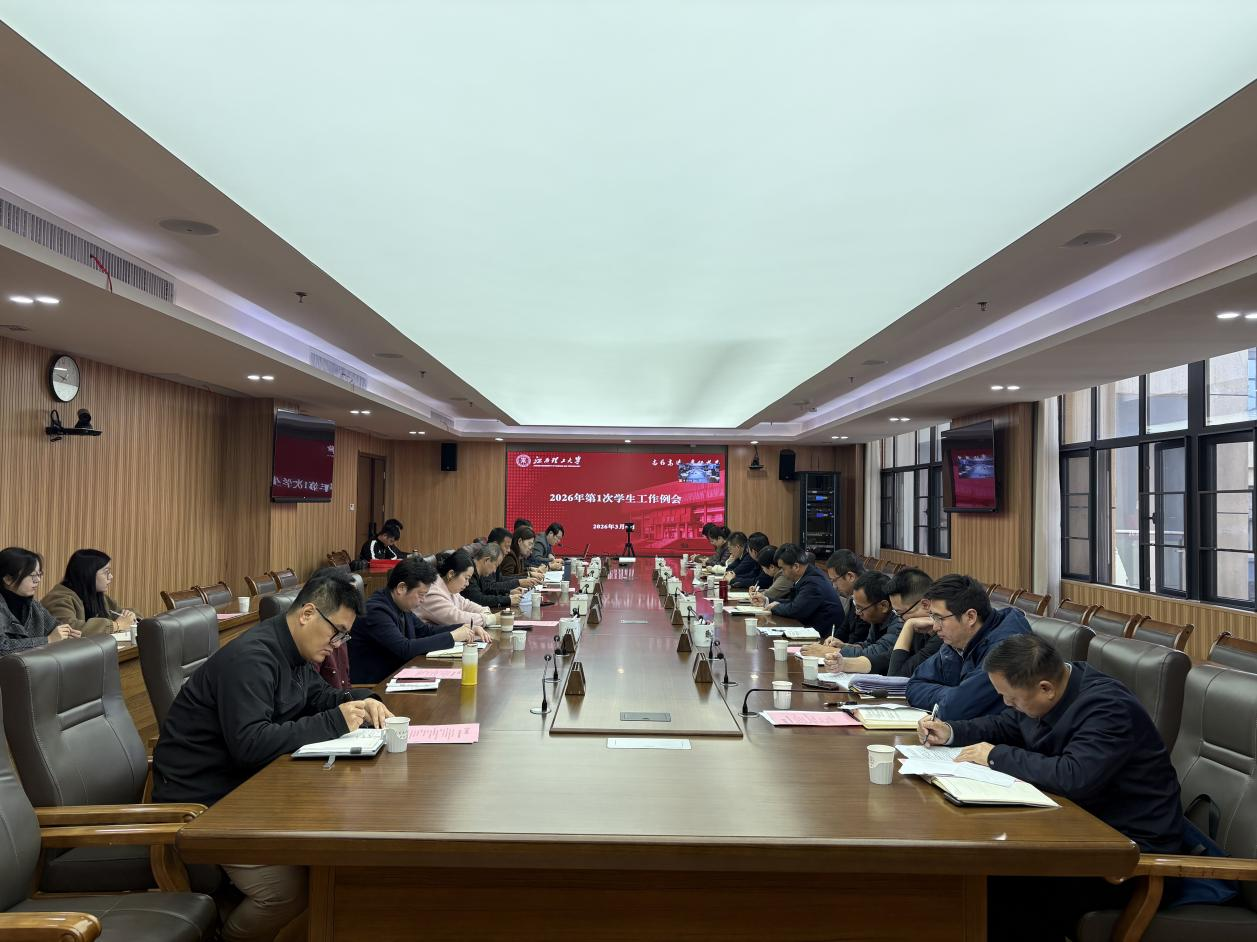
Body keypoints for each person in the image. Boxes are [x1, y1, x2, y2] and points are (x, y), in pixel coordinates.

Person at [152, 571, 391, 942]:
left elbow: (319, 697)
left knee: (329, 862)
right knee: (288, 892)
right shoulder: (252, 658)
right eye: (337, 633)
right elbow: (250, 744)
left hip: (248, 789)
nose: (337, 645)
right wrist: (335, 721)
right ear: (308, 614)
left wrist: (360, 701)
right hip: (206, 802)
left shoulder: (293, 651)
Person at [918, 634, 1201, 942]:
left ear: (1046, 688)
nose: (1008, 704)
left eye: (1012, 699)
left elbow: (1073, 777)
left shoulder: (1108, 709)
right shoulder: (1055, 686)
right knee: (978, 874)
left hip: (1128, 856)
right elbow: (1007, 725)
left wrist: (995, 755)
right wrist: (951, 731)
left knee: (998, 886)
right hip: (1082, 833)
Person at [905, 574, 1032, 720]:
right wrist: (955, 694)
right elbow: (914, 685)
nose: (935, 627)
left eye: (940, 618)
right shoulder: (958, 642)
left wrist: (955, 697)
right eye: (933, 617)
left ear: (970, 617)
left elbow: (955, 709)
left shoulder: (1007, 650)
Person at [349, 558, 490, 684]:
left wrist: (464, 628)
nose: (423, 600)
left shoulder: (400, 605)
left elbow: (425, 630)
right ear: (401, 588)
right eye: (421, 595)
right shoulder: (376, 611)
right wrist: (453, 636)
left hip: (398, 676)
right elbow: (404, 649)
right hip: (375, 686)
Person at [803, 571, 902, 671]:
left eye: (860, 608)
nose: (857, 613)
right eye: (856, 607)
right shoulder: (877, 618)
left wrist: (829, 651)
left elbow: (874, 654)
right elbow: (867, 645)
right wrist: (844, 645)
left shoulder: (899, 623)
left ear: (883, 606)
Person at [0, 547, 79, 655]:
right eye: (32, 575)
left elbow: (54, 627)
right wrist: (48, 640)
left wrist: (68, 633)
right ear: (8, 579)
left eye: (39, 574)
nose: (37, 580)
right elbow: (3, 647)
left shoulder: (34, 605)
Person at [42, 548, 137, 636]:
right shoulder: (59, 599)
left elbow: (119, 613)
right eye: (106, 572)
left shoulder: (97, 596)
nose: (111, 577)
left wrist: (130, 616)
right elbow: (70, 629)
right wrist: (116, 625)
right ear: (88, 574)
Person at [760, 543, 844, 634]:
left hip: (825, 636)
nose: (782, 573)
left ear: (796, 567)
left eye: (783, 569)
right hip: (811, 629)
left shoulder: (813, 582)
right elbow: (794, 602)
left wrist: (773, 607)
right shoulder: (807, 575)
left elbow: (796, 611)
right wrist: (766, 601)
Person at [417, 550, 498, 629]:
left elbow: (465, 604)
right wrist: (490, 619)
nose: (467, 583)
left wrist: (484, 611)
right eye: (466, 578)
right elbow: (456, 618)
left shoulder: (449, 588)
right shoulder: (432, 593)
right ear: (451, 574)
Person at [822, 549, 866, 643]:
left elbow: (859, 638)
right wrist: (834, 640)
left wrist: (843, 646)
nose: (834, 586)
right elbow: (844, 628)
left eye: (835, 580)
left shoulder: (868, 597)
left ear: (850, 576)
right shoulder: (853, 596)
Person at [463, 543, 523, 609]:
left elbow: (488, 589)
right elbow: (479, 600)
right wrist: (508, 600)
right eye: (496, 565)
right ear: (486, 560)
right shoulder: (469, 573)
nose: (494, 571)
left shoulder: (480, 572)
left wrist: (509, 592)